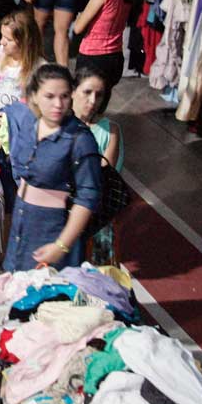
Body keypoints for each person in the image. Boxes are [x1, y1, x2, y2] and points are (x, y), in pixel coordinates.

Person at [2, 64, 102, 271]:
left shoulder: (80, 139)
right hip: (22, 222)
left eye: (64, 96)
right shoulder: (29, 125)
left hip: (52, 228)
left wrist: (62, 245)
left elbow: (88, 196)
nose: (58, 104)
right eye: (49, 96)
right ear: (34, 96)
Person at [73, 0, 138, 113]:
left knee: (82, 112)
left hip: (93, 57)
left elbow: (78, 28)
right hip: (114, 58)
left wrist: (81, 16)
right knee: (98, 109)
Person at [72, 67, 124, 266]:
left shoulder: (110, 131)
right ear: (73, 91)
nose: (93, 101)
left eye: (99, 94)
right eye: (87, 92)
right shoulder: (57, 123)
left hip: (95, 214)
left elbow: (102, 174)